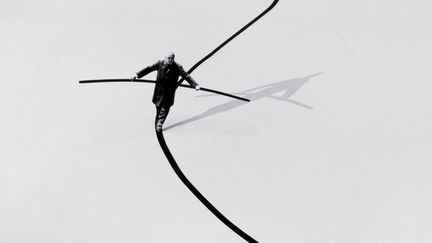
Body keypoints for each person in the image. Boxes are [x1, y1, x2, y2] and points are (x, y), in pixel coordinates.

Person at [131, 52, 200, 132]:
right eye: (169, 58)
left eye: (172, 59)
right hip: (159, 91)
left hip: (169, 91)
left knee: (165, 107)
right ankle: (159, 120)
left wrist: (195, 85)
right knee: (159, 107)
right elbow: (149, 68)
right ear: (165, 58)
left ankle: (160, 123)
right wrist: (137, 75)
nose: (170, 60)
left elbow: (186, 75)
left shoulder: (177, 67)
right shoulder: (160, 63)